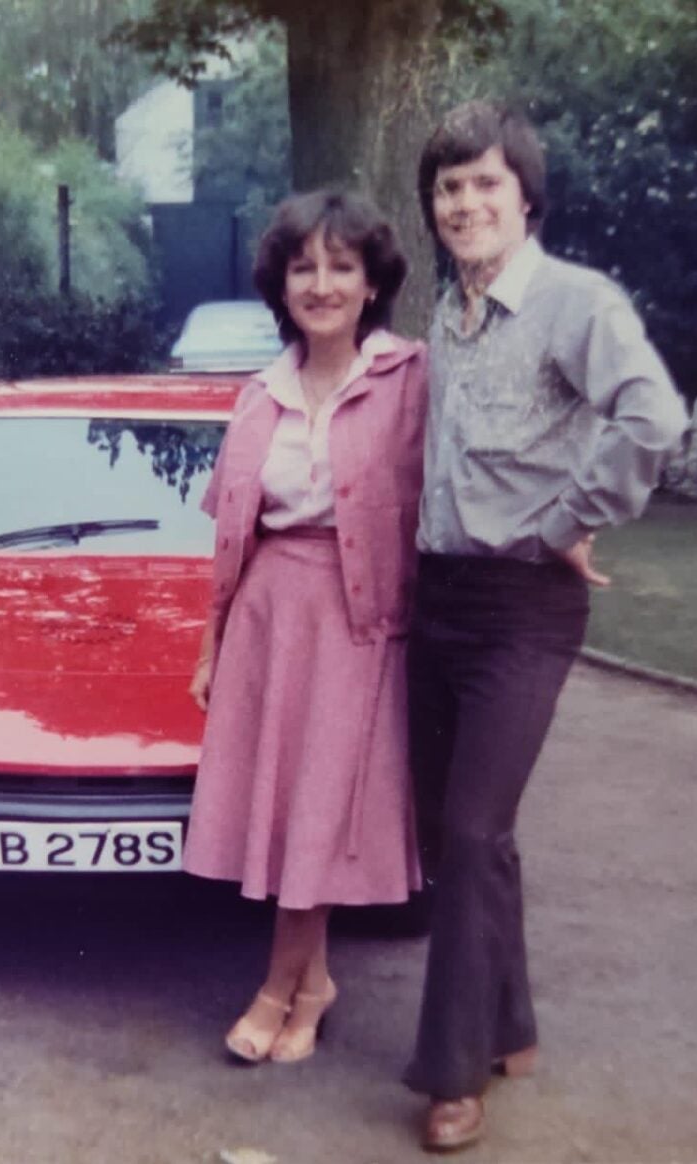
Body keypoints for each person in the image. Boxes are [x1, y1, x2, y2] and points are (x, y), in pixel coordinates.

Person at [403, 101, 688, 1151]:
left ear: (526, 196)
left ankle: (453, 1072)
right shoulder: (447, 314)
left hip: (525, 604)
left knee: (475, 829)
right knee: (456, 831)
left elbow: (652, 416)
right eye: (448, 188)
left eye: (485, 183)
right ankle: (511, 1025)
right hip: (438, 596)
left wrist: (568, 518)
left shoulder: (577, 301)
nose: (465, 203)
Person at [182, 189, 426, 1065]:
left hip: (359, 621)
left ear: (372, 284)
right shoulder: (258, 396)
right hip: (267, 614)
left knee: (321, 809)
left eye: (341, 267)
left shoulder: (410, 380)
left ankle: (277, 988)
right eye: (304, 268)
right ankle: (310, 984)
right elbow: (232, 536)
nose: (322, 284)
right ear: (281, 286)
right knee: (285, 813)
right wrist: (211, 645)